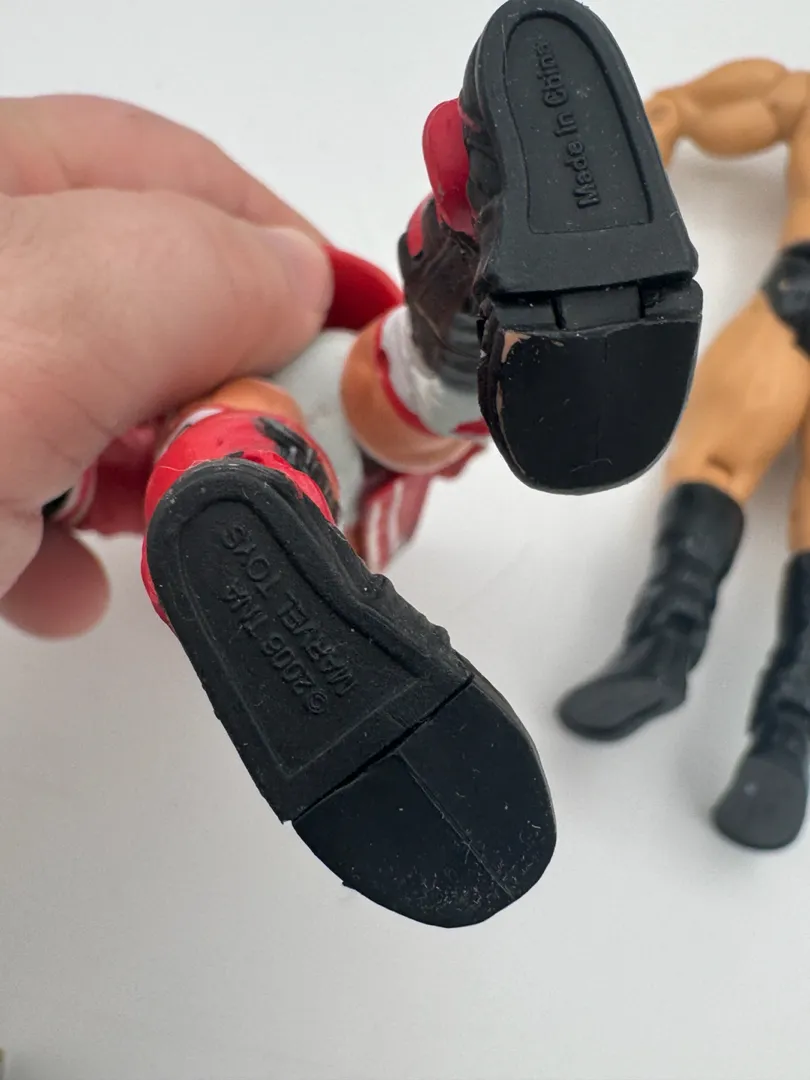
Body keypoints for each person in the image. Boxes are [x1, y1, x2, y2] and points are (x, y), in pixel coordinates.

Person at [1, 0, 701, 926]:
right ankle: (462, 216)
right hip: (313, 408)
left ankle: (244, 499)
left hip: (260, 431)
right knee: (418, 389)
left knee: (324, 425)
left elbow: (74, 484)